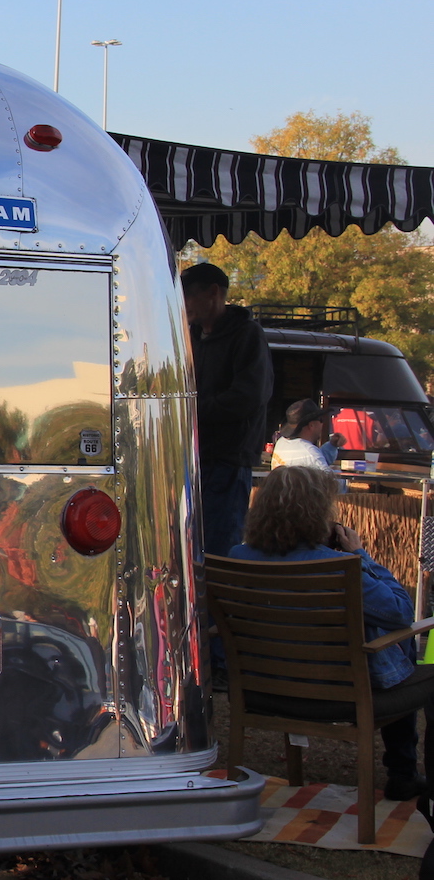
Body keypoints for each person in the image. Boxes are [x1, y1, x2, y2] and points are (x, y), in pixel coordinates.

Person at [231, 465, 434, 800]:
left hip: (263, 690)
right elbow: (400, 613)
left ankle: (405, 772)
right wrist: (359, 554)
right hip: (339, 696)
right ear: (318, 514)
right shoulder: (338, 567)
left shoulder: (237, 559)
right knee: (407, 650)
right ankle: (403, 772)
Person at [182, 262, 272, 556]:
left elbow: (247, 397)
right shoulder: (191, 336)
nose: (184, 306)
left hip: (227, 461)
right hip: (193, 459)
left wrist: (193, 410)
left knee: (219, 545)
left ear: (213, 293)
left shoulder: (247, 335)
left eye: (188, 297)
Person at [271, 399, 339, 471]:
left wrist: (332, 445)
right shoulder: (310, 453)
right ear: (311, 425)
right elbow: (330, 481)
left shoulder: (281, 442)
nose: (322, 424)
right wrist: (337, 472)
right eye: (321, 420)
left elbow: (311, 458)